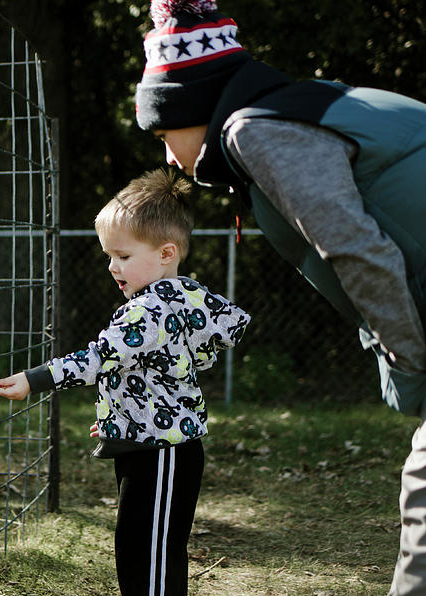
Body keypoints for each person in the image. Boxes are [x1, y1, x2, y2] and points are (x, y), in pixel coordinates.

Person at [133, 0, 426, 593]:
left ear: (194, 108)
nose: (168, 155)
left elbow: (355, 247)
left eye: (165, 133)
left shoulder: (257, 130)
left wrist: (412, 358)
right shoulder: (306, 103)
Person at [0, 168, 251, 595]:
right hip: (149, 444)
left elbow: (98, 358)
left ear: (166, 252)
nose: (113, 267)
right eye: (109, 256)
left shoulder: (147, 310)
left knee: (147, 553)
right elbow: (213, 338)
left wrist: (33, 379)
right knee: (144, 547)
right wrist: (121, 419)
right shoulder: (185, 296)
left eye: (124, 256)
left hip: (163, 453)